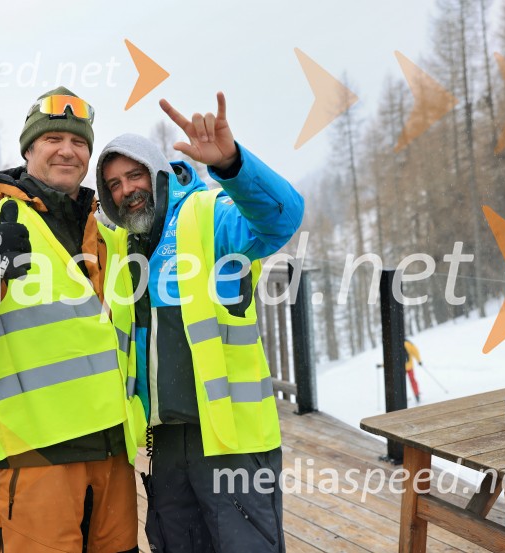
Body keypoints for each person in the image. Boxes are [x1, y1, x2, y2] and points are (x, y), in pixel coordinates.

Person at [0, 87, 141, 553]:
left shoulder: (110, 229)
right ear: (30, 149)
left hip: (116, 451)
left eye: (79, 142)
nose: (67, 150)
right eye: (53, 138)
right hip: (34, 456)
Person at [95, 92, 304, 553]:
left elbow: (281, 218)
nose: (127, 189)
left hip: (231, 438)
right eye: (113, 184)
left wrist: (231, 164)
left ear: (159, 175)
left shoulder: (208, 215)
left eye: (135, 175)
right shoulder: (121, 249)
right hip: (161, 444)